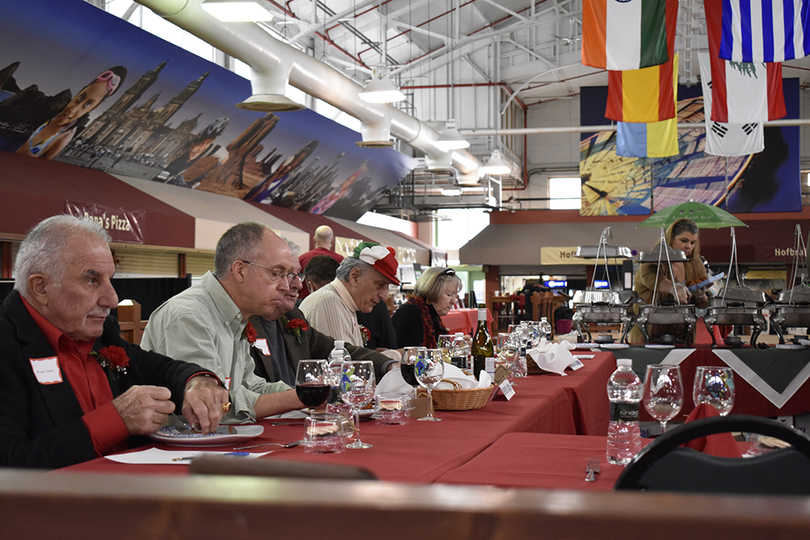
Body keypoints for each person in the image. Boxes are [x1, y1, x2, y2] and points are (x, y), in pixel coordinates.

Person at [0, 215, 229, 469]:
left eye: (111, 279)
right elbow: (9, 465)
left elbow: (158, 368)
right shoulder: (8, 346)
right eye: (91, 280)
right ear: (40, 287)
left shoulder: (100, 333)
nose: (112, 298)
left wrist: (198, 382)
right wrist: (114, 420)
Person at [141, 222, 305, 423]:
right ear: (240, 270)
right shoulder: (189, 315)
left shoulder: (236, 315)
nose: (286, 286)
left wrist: (307, 393)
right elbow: (210, 405)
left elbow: (250, 387)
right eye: (276, 273)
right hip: (178, 449)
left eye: (287, 275)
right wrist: (300, 398)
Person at [250, 240, 398, 386]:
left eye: (296, 274)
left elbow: (335, 349)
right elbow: (343, 376)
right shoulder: (328, 301)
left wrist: (387, 364)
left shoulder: (291, 315)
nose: (298, 285)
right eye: (283, 274)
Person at [299, 241, 400, 356]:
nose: (385, 295)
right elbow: (344, 368)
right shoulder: (330, 302)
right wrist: (395, 356)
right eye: (380, 284)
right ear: (354, 277)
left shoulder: (341, 301)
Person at [16, 66, 127, 160]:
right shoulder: (47, 112)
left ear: (97, 106)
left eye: (88, 104)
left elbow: (40, 164)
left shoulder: (66, 134)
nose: (72, 111)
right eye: (81, 97)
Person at [629, 218, 710, 343]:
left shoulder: (696, 263)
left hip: (683, 335)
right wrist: (674, 288)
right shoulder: (650, 260)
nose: (688, 246)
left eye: (693, 243)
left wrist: (701, 295)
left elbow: (701, 303)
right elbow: (653, 278)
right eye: (684, 241)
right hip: (649, 334)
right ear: (670, 239)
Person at [391, 267, 463, 348]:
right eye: (449, 295)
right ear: (432, 291)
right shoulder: (410, 313)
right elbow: (407, 355)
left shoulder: (431, 315)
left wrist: (454, 347)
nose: (453, 301)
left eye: (455, 295)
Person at [298, 225, 344, 300]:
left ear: (314, 240)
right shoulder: (340, 260)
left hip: (303, 304)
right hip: (332, 302)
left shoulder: (301, 259)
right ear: (332, 241)